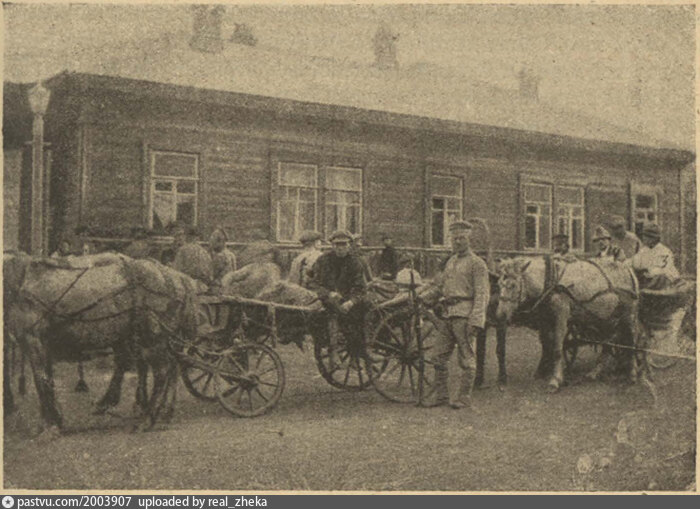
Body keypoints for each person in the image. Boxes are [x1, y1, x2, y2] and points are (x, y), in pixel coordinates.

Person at [418, 221, 489, 410]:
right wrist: (422, 298)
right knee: (438, 356)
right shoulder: (450, 262)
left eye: (461, 238)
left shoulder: (477, 264)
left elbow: (482, 294)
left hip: (465, 315)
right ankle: (441, 396)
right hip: (448, 315)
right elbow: (440, 288)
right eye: (454, 238)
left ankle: (463, 398)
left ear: (469, 239)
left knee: (466, 358)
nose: (457, 242)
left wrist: (476, 320)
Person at [307, 230, 367, 367]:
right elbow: (312, 283)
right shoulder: (323, 260)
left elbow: (361, 288)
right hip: (328, 299)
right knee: (331, 310)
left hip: (349, 300)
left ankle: (356, 352)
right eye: (337, 245)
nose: (340, 248)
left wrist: (351, 301)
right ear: (332, 245)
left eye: (343, 244)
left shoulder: (355, 263)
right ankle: (333, 350)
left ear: (349, 245)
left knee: (360, 314)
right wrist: (328, 293)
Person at [627, 223, 679, 289]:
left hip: (664, 282)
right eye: (644, 236)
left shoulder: (664, 251)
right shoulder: (643, 250)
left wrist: (649, 271)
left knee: (660, 277)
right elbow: (634, 262)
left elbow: (664, 270)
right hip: (648, 280)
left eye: (646, 237)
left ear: (653, 238)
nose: (643, 239)